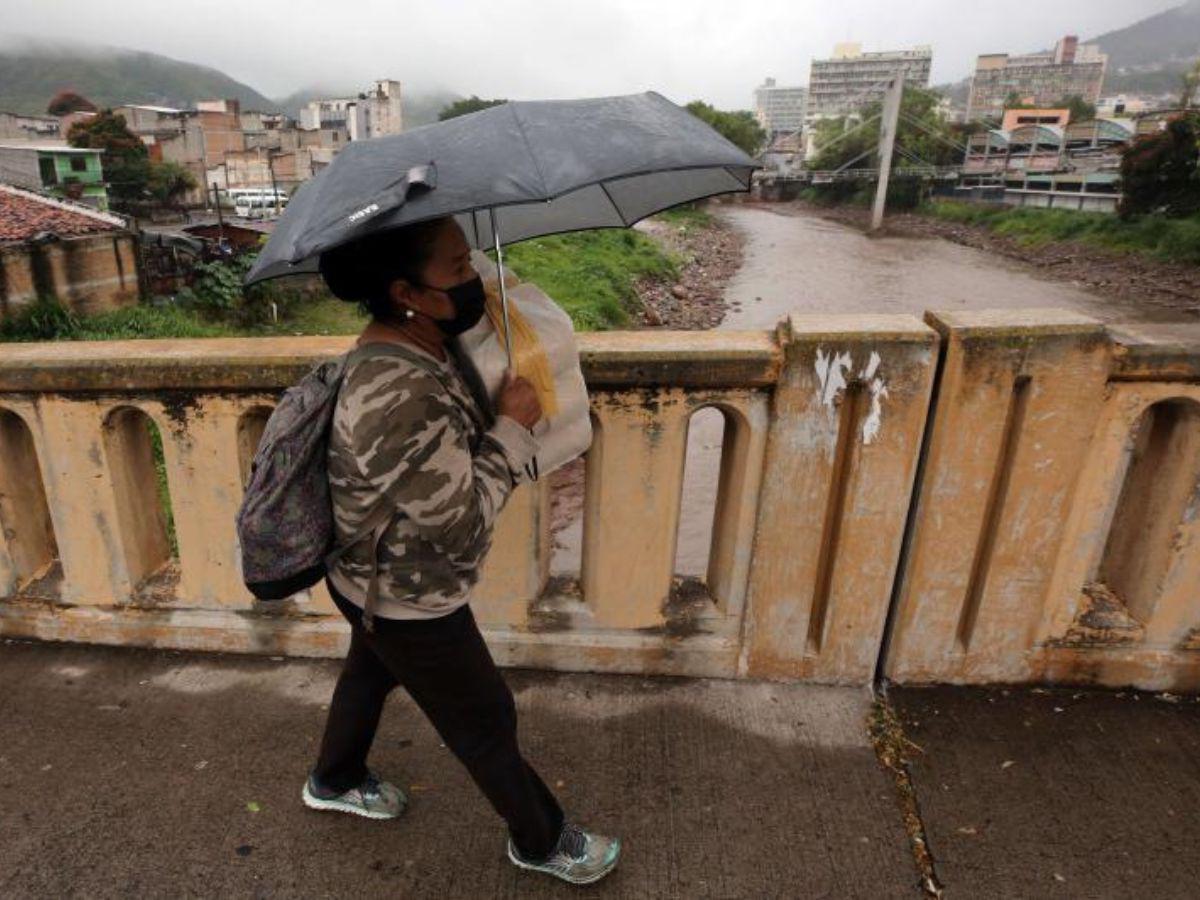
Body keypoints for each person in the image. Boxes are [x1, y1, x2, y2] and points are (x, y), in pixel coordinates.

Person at [303, 215, 620, 886]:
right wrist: (513, 428)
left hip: (367, 575)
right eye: (458, 270)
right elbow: (463, 527)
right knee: (482, 719)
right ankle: (543, 840)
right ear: (406, 292)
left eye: (471, 262)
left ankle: (333, 778)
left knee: (370, 668)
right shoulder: (397, 394)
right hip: (407, 591)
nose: (475, 280)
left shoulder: (408, 347)